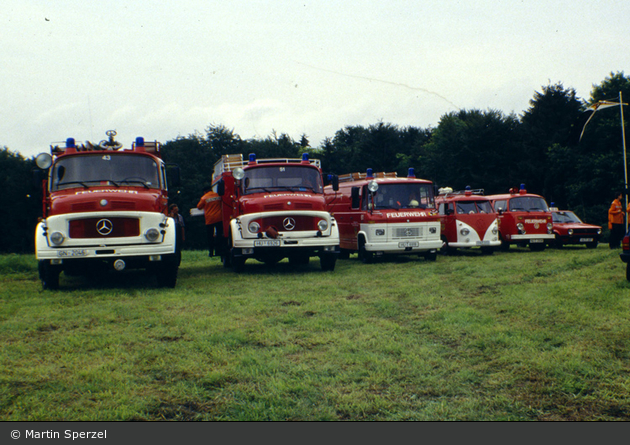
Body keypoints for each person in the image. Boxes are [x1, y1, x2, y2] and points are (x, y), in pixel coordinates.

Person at [197, 185, 223, 257]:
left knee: (210, 237)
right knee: (219, 235)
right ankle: (219, 251)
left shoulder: (204, 198)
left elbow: (199, 207)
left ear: (205, 192)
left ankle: (211, 252)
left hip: (209, 219)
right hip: (219, 218)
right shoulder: (218, 195)